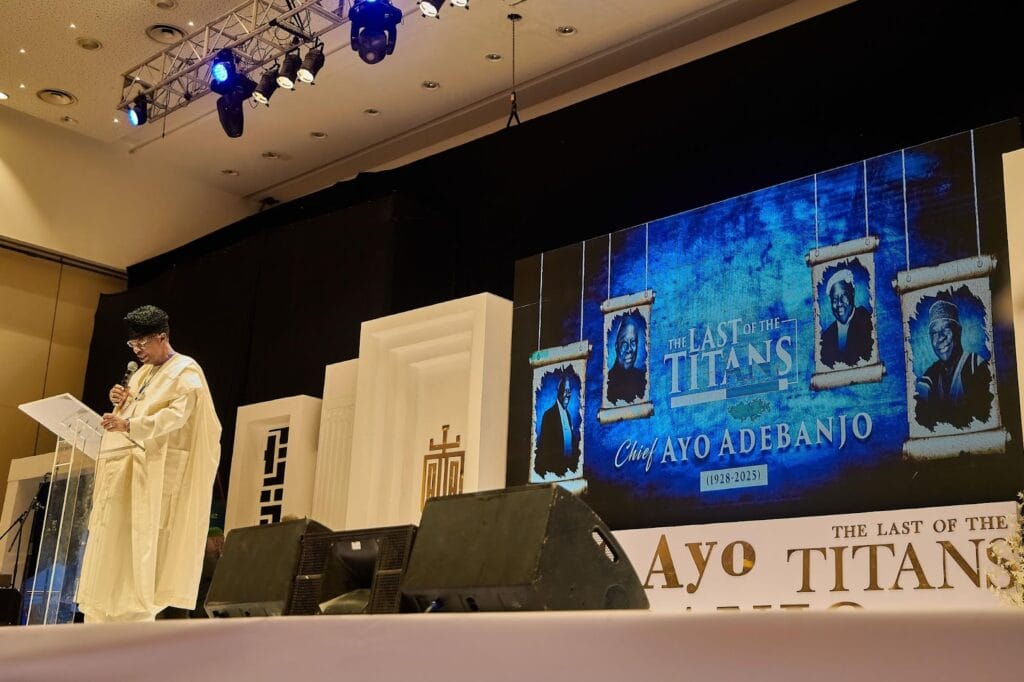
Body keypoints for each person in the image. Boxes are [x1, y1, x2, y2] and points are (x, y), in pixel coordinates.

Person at [77, 305, 221, 622]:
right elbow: (135, 409)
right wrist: (120, 402)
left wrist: (130, 425)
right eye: (133, 345)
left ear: (162, 337)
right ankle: (107, 612)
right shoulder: (141, 373)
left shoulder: (186, 371)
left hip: (157, 476)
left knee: (146, 547)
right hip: (125, 471)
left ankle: (136, 615)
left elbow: (174, 417)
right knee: (116, 542)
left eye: (142, 343)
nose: (138, 350)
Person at [915, 299, 992, 429]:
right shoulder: (929, 376)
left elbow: (981, 419)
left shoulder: (976, 366)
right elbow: (921, 421)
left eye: (946, 329)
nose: (940, 338)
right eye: (934, 333)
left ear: (958, 332)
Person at [819, 268, 873, 368]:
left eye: (843, 296)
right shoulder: (826, 337)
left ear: (852, 293)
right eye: (835, 299)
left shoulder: (868, 323)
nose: (839, 303)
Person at [534, 372, 580, 477]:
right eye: (565, 390)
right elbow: (545, 451)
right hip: (556, 472)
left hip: (569, 470)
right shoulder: (549, 416)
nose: (567, 394)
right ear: (558, 391)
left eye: (569, 391)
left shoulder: (568, 415)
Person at [607, 314, 646, 403]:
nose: (629, 349)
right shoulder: (607, 384)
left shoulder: (643, 380)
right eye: (624, 343)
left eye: (633, 342)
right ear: (616, 346)